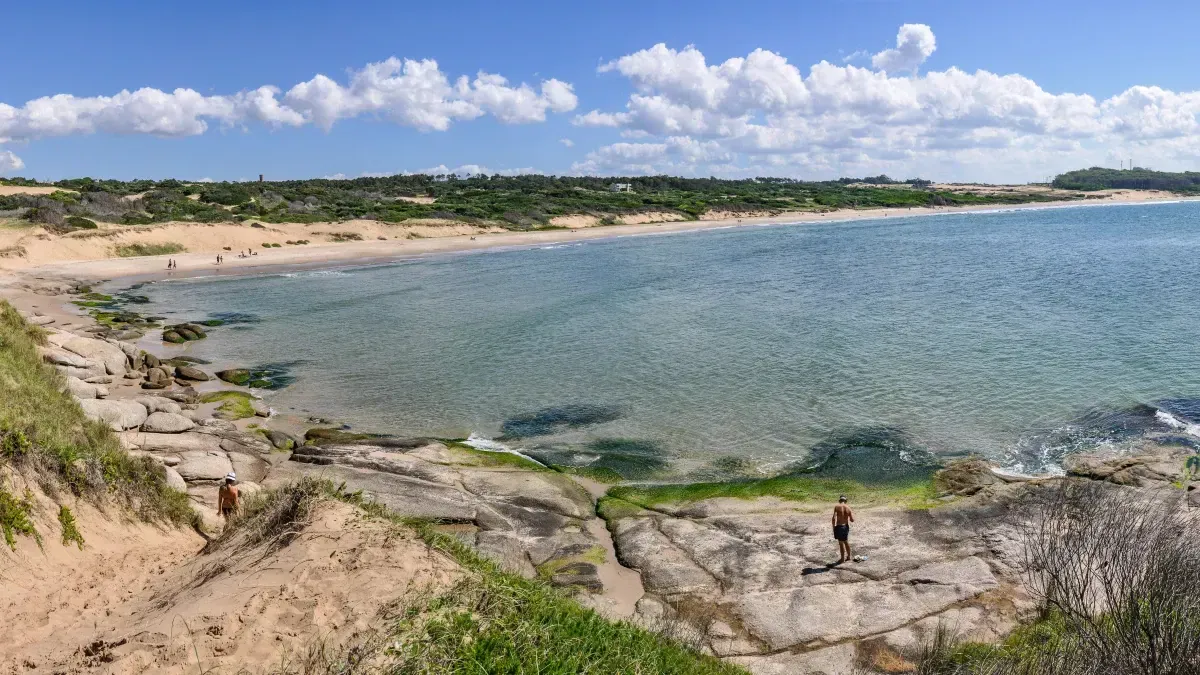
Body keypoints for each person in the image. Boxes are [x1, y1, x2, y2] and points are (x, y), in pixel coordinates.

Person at [832, 495, 854, 564]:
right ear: (845, 501)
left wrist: (833, 527)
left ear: (840, 501)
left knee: (841, 543)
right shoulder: (848, 508)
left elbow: (833, 518)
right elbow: (852, 520)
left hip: (839, 526)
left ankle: (842, 559)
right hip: (845, 527)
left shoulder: (837, 507)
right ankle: (849, 556)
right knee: (846, 541)